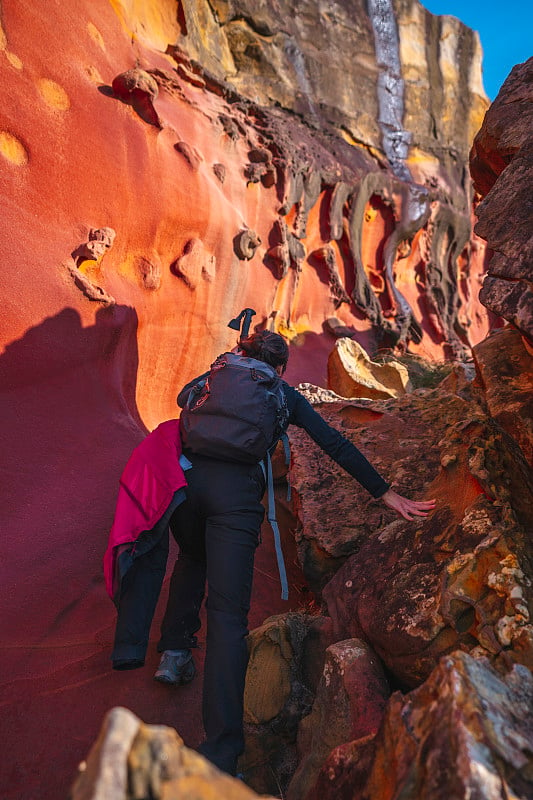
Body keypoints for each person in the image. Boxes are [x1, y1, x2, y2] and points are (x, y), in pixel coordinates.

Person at [147, 330, 435, 776]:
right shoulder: (281, 394)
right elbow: (333, 443)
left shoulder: (217, 375)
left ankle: (174, 653)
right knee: (227, 617)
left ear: (244, 353)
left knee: (191, 557)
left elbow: (184, 402)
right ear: (280, 368)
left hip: (188, 487)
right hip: (236, 501)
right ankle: (222, 752)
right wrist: (385, 493)